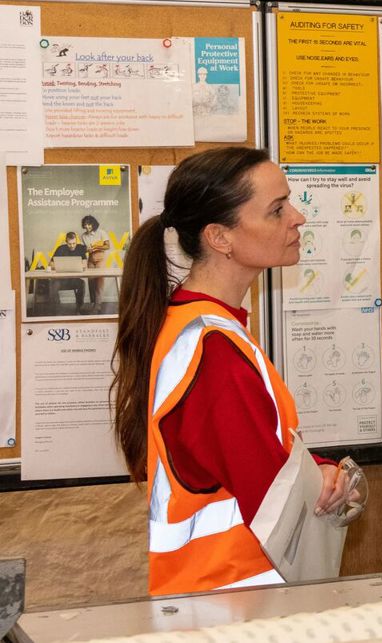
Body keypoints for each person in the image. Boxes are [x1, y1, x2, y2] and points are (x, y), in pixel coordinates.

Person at [111, 147, 358, 596]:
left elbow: (266, 457)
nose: (297, 218)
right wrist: (328, 481)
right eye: (277, 210)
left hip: (224, 601)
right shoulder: (212, 350)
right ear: (220, 237)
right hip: (234, 602)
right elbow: (277, 496)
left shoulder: (205, 326)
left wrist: (321, 470)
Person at [51, 231, 87, 313]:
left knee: (82, 283)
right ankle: (57, 310)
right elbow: (51, 264)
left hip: (73, 280)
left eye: (74, 243)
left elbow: (85, 264)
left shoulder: (80, 248)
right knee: (54, 285)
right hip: (61, 280)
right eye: (69, 244)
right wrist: (62, 266)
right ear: (66, 242)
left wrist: (78, 266)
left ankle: (79, 307)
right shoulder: (61, 248)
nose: (72, 246)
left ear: (76, 241)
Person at [80, 214, 109, 314]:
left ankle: (98, 305)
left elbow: (107, 246)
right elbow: (83, 249)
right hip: (91, 259)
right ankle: (93, 303)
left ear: (93, 224)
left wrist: (96, 247)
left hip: (100, 259)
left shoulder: (101, 232)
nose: (87, 226)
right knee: (91, 282)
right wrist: (87, 249)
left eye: (89, 224)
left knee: (99, 282)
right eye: (85, 224)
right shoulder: (83, 236)